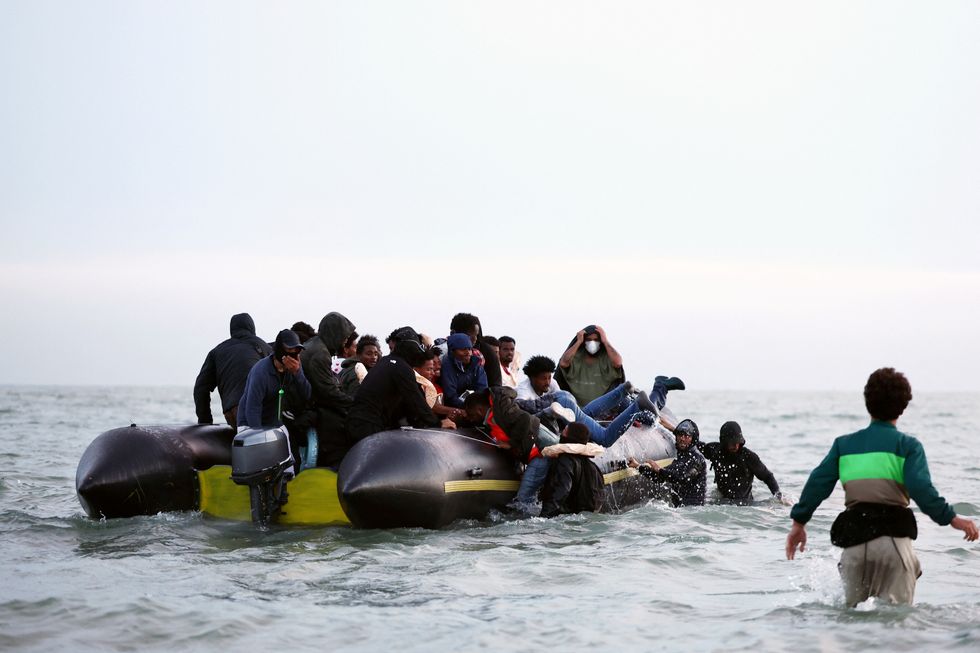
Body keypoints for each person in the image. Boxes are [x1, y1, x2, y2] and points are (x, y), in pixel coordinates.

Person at [785, 368, 978, 607]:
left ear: (867, 402)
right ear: (903, 406)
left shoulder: (844, 445)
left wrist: (798, 523)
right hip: (893, 545)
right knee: (896, 630)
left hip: (853, 549)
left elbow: (817, 483)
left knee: (851, 626)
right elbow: (921, 488)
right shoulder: (907, 446)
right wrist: (952, 519)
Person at [463, 387, 561, 506]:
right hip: (534, 449)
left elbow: (524, 419)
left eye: (471, 415)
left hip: (541, 450)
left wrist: (510, 443)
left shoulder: (501, 411)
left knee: (523, 498)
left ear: (479, 410)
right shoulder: (490, 418)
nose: (470, 419)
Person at [345, 327, 441, 445]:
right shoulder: (400, 368)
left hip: (357, 422)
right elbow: (416, 402)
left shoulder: (387, 362)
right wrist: (439, 425)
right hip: (368, 425)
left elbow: (410, 405)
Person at [193, 313, 272, 427]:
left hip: (233, 414)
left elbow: (200, 388)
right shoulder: (264, 347)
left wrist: (205, 422)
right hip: (259, 411)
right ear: (252, 328)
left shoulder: (216, 352)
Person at [300, 312, 357, 468]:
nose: (345, 341)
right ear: (335, 334)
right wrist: (356, 402)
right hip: (309, 409)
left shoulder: (315, 345)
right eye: (344, 337)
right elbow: (328, 393)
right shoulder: (320, 354)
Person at [237, 329, 311, 430]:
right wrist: (257, 434)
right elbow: (252, 408)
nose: (293, 355)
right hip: (248, 423)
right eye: (289, 350)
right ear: (280, 350)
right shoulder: (261, 372)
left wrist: (297, 373)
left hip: (273, 422)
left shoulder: (295, 367)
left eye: (296, 351)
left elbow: (307, 394)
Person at [701, 421, 782, 505]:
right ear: (724, 442)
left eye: (738, 442)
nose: (736, 446)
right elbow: (695, 445)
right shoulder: (715, 451)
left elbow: (768, 477)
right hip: (721, 501)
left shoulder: (749, 457)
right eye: (732, 443)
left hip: (745, 504)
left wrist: (779, 497)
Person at [629, 418, 706, 506]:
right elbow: (659, 478)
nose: (682, 439)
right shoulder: (679, 461)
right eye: (680, 435)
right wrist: (638, 466)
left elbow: (683, 478)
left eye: (686, 436)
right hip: (680, 511)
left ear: (693, 439)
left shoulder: (698, 460)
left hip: (693, 510)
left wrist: (660, 470)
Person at [539, 423, 605, 518]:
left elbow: (561, 491)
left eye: (565, 431)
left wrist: (544, 516)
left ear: (571, 437)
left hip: (563, 517)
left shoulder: (565, 462)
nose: (561, 433)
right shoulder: (593, 467)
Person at [557, 324, 625, 405]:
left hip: (601, 409)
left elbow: (618, 363)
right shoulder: (575, 357)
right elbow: (563, 363)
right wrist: (578, 341)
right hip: (576, 408)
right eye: (589, 340)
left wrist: (605, 341)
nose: (592, 343)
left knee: (626, 401)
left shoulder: (606, 359)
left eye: (596, 340)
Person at [450, 312, 502, 387]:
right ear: (453, 333)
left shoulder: (486, 353)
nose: (475, 339)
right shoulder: (444, 351)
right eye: (469, 335)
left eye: (476, 335)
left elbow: (495, 386)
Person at [440, 332, 489, 408]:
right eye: (463, 349)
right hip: (456, 408)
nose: (468, 353)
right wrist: (468, 408)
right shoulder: (447, 366)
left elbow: (482, 390)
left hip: (474, 406)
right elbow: (450, 397)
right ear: (452, 351)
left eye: (469, 349)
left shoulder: (476, 364)